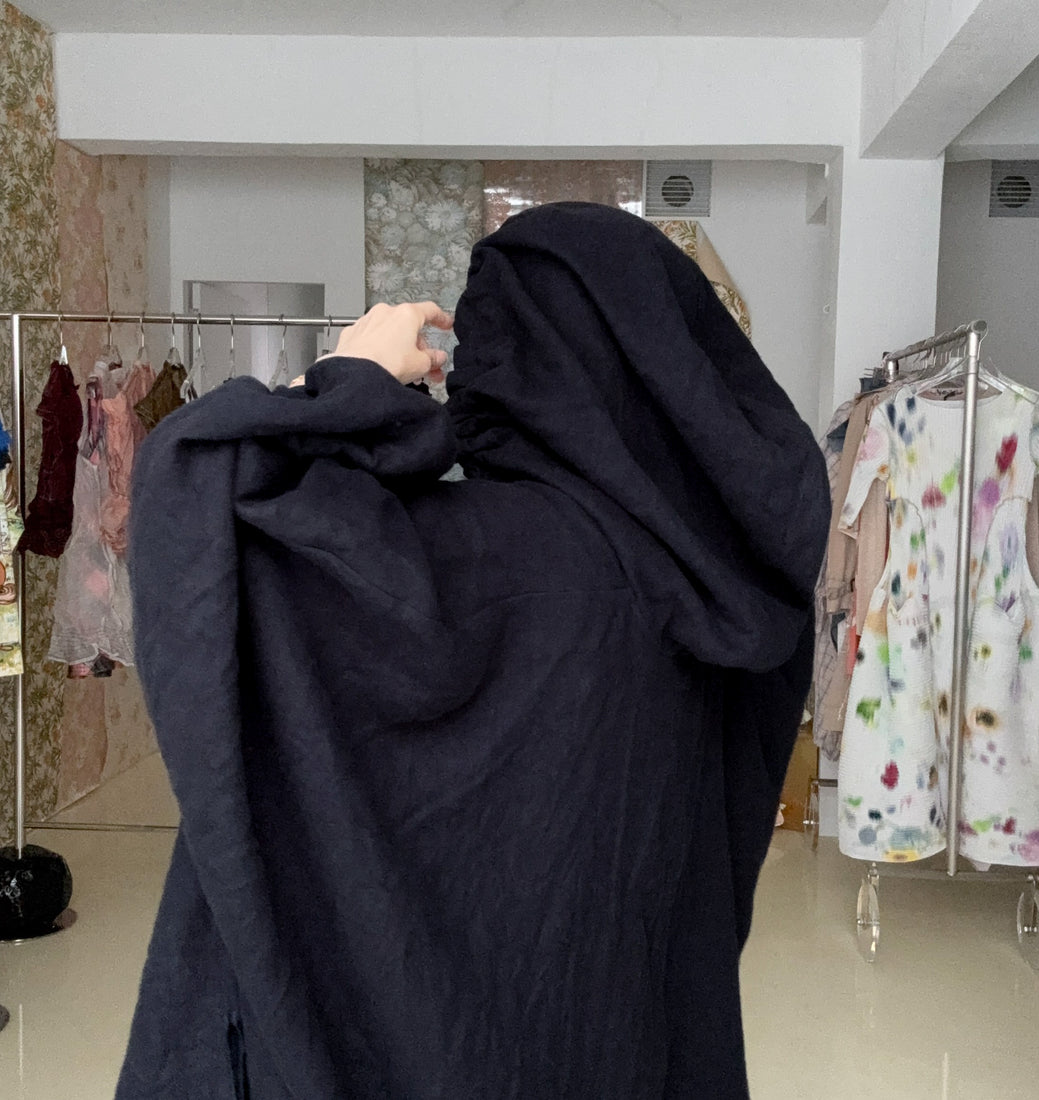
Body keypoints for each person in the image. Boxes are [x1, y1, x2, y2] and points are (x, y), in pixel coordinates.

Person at [116, 202, 830, 1099]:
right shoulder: (715, 577)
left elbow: (192, 496)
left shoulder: (459, 559)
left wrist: (346, 381)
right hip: (625, 1041)